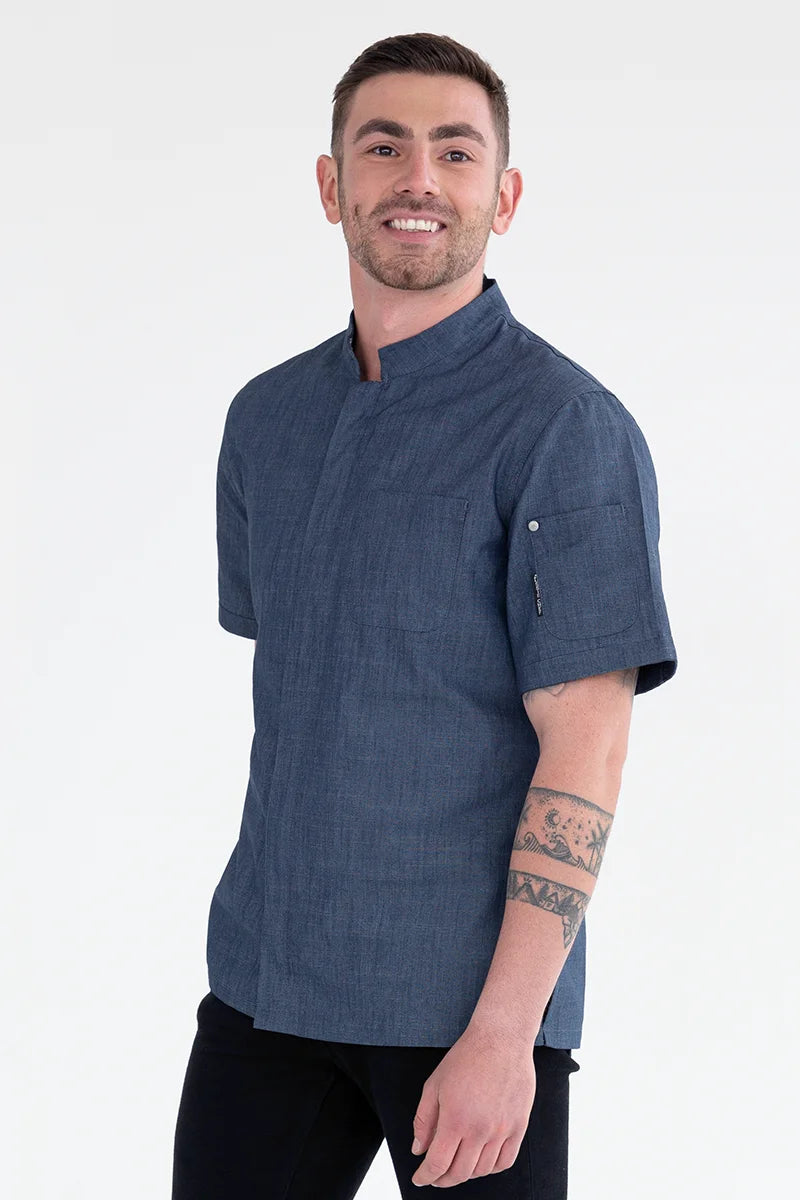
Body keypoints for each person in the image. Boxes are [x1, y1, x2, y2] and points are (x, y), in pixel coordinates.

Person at [172, 31, 678, 1198]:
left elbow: (586, 749)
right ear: (330, 184)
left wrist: (505, 1036)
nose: (417, 178)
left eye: (454, 152)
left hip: (463, 1012)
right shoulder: (266, 421)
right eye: (382, 146)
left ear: (503, 196)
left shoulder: (564, 429)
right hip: (264, 983)